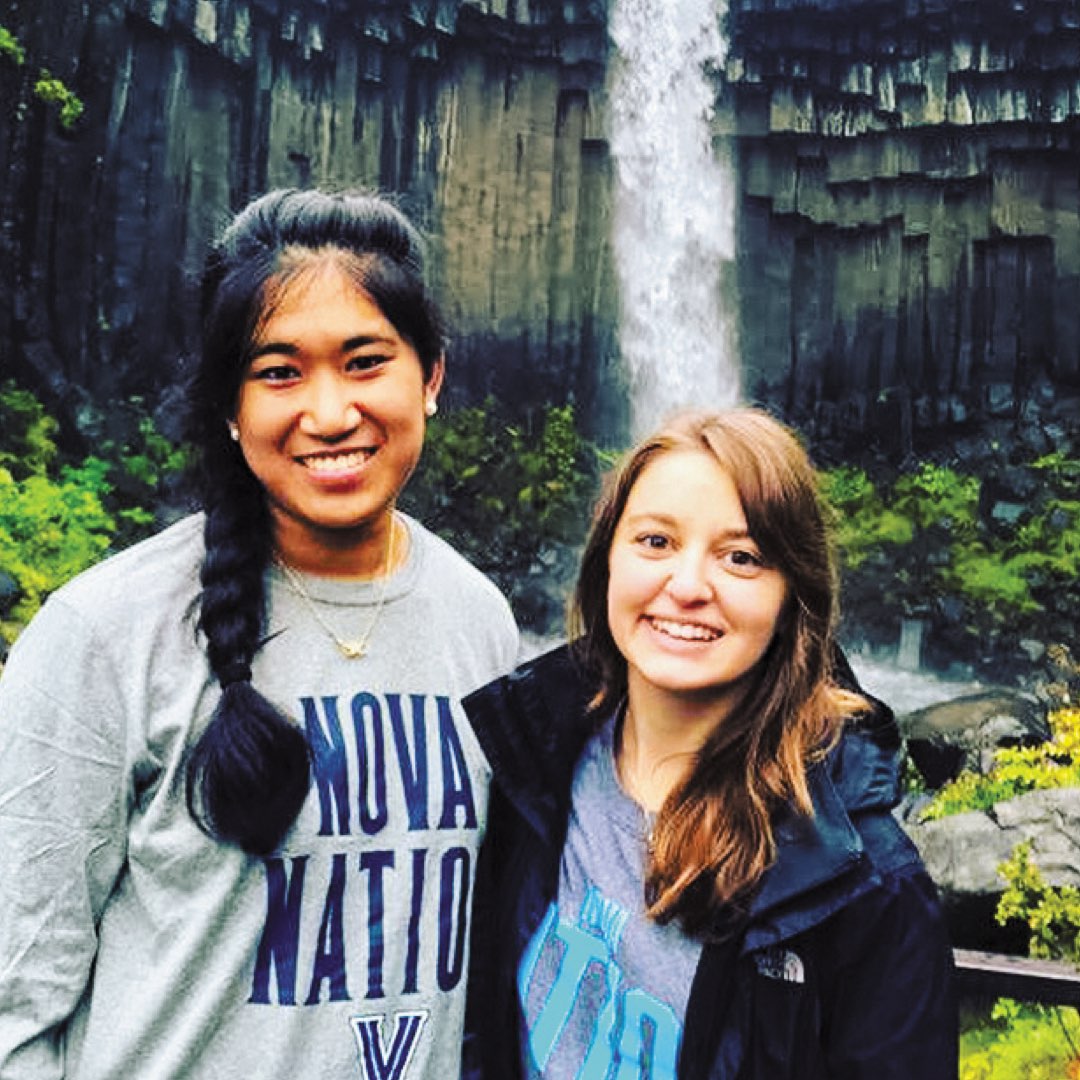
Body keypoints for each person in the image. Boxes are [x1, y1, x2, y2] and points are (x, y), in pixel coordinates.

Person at [0, 188, 519, 1079]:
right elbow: (15, 1004)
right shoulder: (102, 634)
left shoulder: (481, 622)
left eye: (365, 362)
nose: (328, 414)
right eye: (280, 372)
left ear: (430, 376)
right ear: (231, 405)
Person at [463, 407, 957, 1079]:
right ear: (607, 559)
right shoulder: (534, 766)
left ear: (792, 597)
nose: (689, 586)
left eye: (742, 557)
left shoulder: (866, 884)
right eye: (655, 542)